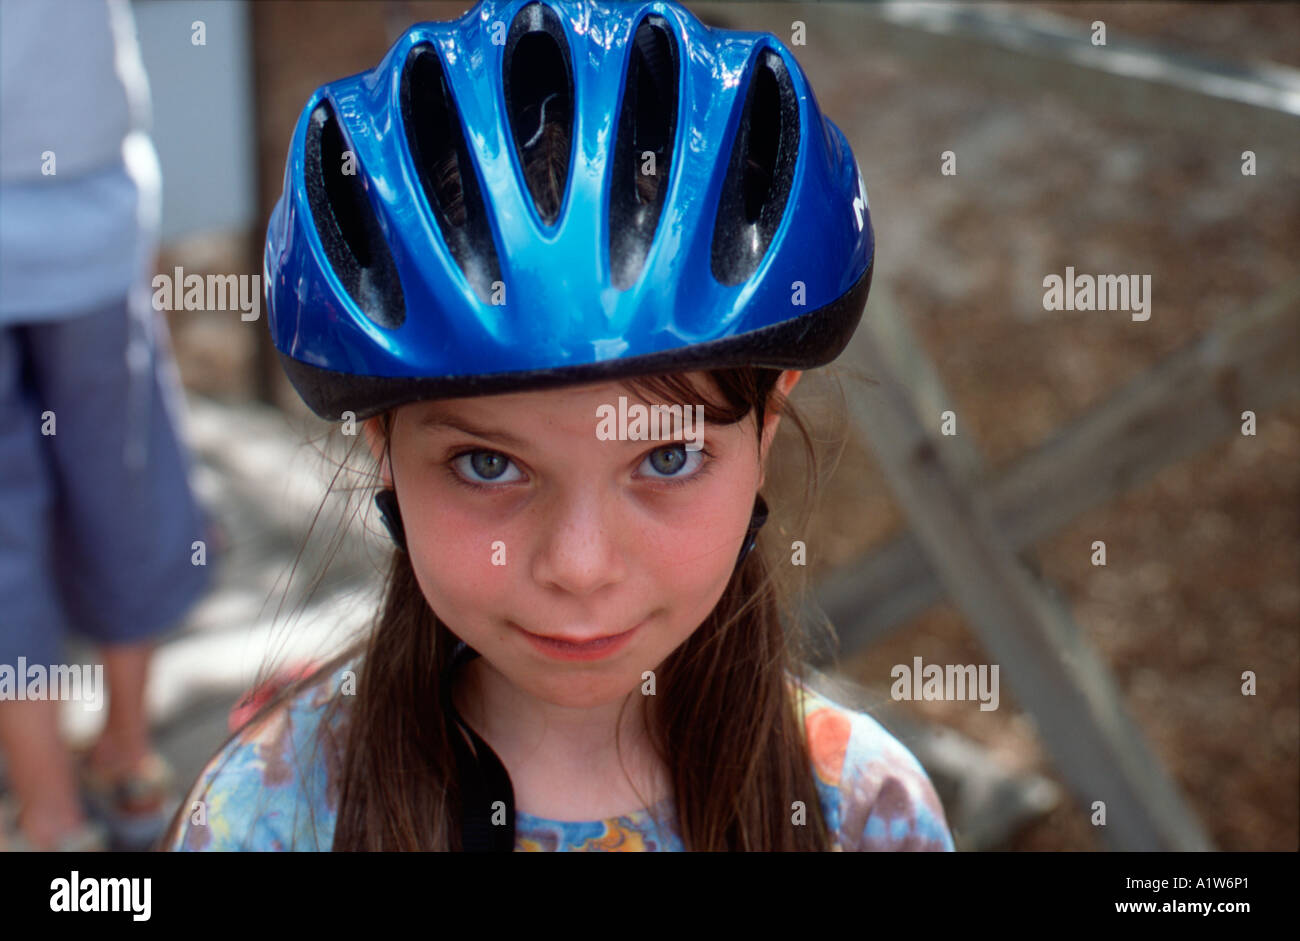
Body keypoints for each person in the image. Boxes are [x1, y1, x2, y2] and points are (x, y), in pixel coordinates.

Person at [164, 0, 955, 852]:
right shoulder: (263, 818)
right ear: (381, 447)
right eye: (487, 464)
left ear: (766, 427)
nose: (580, 567)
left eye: (667, 454)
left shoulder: (865, 815)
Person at [0, 0, 215, 851]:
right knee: (122, 478)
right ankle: (128, 762)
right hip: (85, 205)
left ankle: (50, 814)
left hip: (86, 202)